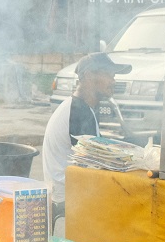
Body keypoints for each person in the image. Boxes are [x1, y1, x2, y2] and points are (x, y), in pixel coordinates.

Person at [42, 52, 131, 231]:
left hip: (69, 197)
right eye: (108, 75)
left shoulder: (81, 107)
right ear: (89, 76)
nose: (113, 81)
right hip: (66, 204)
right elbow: (93, 166)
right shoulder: (78, 110)